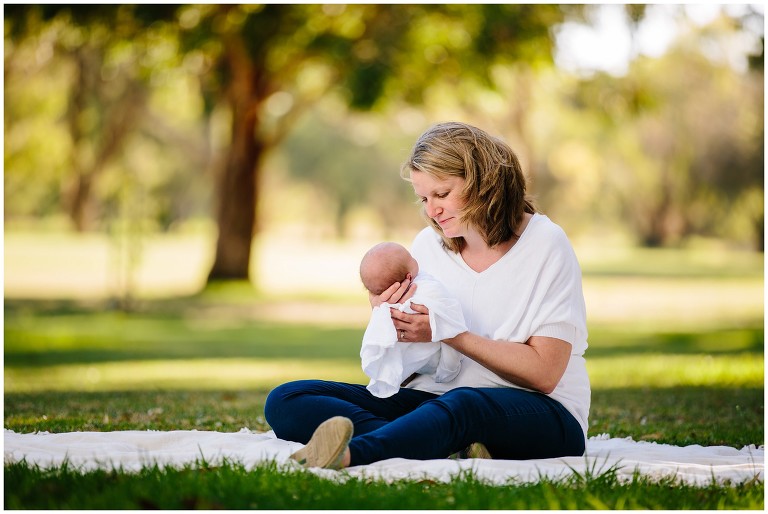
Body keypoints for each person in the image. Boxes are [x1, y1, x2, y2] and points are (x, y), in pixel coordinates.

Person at [265, 121, 590, 470]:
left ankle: (353, 454)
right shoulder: (428, 246)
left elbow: (544, 373)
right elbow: (413, 367)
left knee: (463, 405)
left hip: (540, 412)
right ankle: (437, 441)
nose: (431, 211)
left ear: (484, 182)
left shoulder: (545, 244)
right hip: (436, 401)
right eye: (424, 198)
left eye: (442, 194)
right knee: (288, 398)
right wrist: (392, 323)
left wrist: (450, 333)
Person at [358, 241, 467, 399]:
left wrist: (382, 316)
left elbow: (383, 335)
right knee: (308, 391)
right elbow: (450, 310)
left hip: (432, 388)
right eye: (411, 257)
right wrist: (381, 311)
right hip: (421, 382)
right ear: (409, 276)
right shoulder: (427, 288)